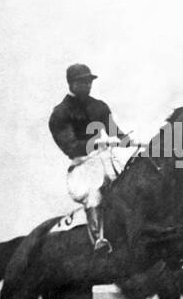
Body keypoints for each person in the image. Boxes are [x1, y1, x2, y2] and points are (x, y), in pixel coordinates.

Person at [48, 63, 130, 252]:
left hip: (104, 159)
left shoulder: (98, 106)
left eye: (88, 81)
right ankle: (99, 239)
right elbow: (70, 146)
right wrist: (95, 144)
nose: (87, 85)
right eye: (82, 82)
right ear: (71, 84)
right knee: (94, 194)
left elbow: (112, 129)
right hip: (81, 166)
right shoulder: (61, 113)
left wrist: (124, 138)